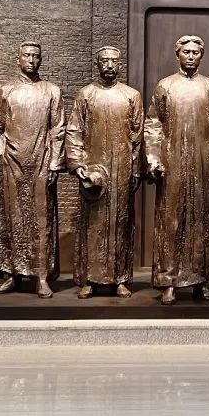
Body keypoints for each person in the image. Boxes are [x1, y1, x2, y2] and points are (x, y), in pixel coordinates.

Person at [144, 35, 209, 305]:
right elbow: (153, 124)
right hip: (172, 163)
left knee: (200, 221)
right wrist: (154, 158)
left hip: (202, 164)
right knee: (171, 221)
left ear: (201, 56)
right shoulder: (165, 86)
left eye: (195, 52)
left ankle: (199, 280)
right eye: (186, 52)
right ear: (177, 54)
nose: (191, 56)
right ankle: (168, 281)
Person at [65, 46, 144, 299]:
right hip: (94, 170)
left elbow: (138, 137)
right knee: (92, 224)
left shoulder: (131, 96)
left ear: (120, 65)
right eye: (105, 61)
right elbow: (74, 131)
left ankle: (120, 278)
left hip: (121, 170)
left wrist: (135, 170)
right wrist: (78, 165)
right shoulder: (86, 94)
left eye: (114, 61)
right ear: (97, 64)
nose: (109, 65)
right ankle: (89, 278)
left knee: (120, 223)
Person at [0, 41, 66, 299]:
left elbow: (58, 130)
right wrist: (2, 151)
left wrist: (55, 162)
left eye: (36, 56)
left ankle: (41, 276)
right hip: (12, 163)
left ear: (41, 59)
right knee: (11, 217)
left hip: (41, 162)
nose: (31, 60)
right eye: (27, 55)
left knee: (41, 219)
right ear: (18, 59)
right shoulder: (6, 91)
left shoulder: (51, 91)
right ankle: (11, 273)